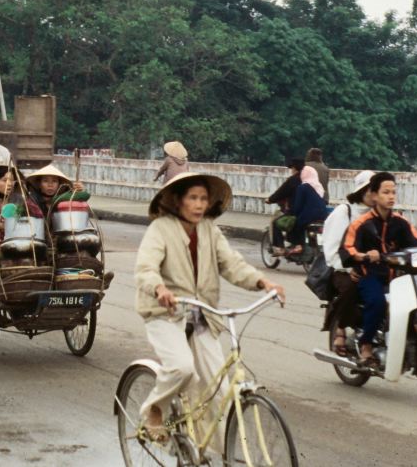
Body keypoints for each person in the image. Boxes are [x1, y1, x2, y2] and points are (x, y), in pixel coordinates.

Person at [134, 171, 285, 445]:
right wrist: (160, 289)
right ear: (178, 201)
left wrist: (263, 282)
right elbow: (145, 268)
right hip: (164, 313)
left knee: (218, 389)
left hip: (202, 315)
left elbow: (231, 264)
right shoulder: (160, 229)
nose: (199, 204)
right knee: (182, 368)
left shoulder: (209, 230)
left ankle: (204, 450)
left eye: (204, 198)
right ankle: (154, 409)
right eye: (193, 198)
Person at [344, 172, 417, 369]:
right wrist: (364, 256)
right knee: (377, 302)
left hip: (398, 278)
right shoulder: (361, 224)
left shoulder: (401, 222)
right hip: (370, 276)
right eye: (385, 192)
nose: (391, 196)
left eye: (393, 192)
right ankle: (366, 345)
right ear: (374, 196)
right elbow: (348, 248)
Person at [321, 170, 376, 353]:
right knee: (353, 287)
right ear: (362, 191)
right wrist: (347, 268)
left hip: (374, 268)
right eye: (371, 190)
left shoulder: (380, 213)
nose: (375, 195)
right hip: (343, 268)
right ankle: (340, 328)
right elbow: (332, 247)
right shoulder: (345, 212)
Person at [284, 166, 330, 255]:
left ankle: (298, 246)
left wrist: (294, 214)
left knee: (295, 224)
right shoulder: (319, 187)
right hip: (323, 215)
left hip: (310, 215)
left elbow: (298, 205)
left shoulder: (303, 187)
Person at [264, 158, 304, 255]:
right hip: (307, 211)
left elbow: (281, 193)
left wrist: (270, 200)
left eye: (292, 168)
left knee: (275, 223)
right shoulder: (308, 180)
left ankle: (280, 248)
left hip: (294, 211)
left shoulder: (293, 180)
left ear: (294, 168)